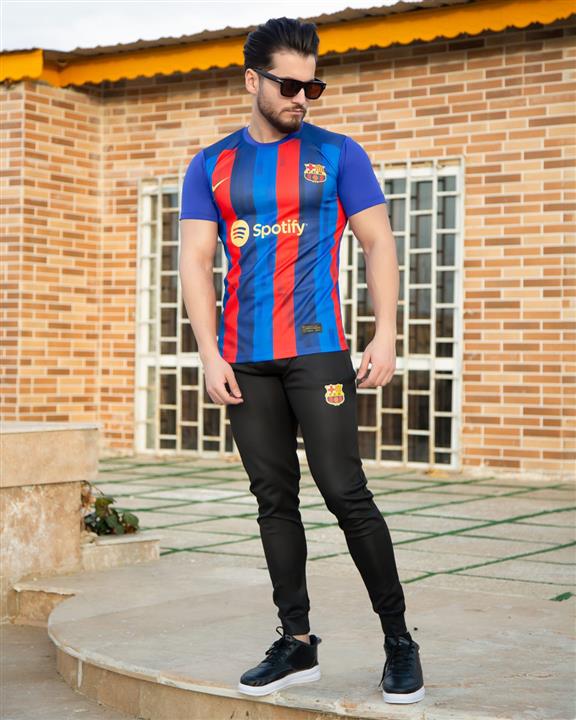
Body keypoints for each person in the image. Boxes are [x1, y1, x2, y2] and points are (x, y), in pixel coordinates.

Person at [178, 16, 425, 705]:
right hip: (245, 359)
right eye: (288, 85)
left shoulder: (339, 153)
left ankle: (399, 641)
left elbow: (377, 242)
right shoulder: (210, 165)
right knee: (273, 499)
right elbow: (195, 260)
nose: (302, 98)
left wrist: (385, 333)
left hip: (317, 351)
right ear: (252, 81)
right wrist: (208, 352)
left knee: (345, 491)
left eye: (312, 86)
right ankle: (297, 641)